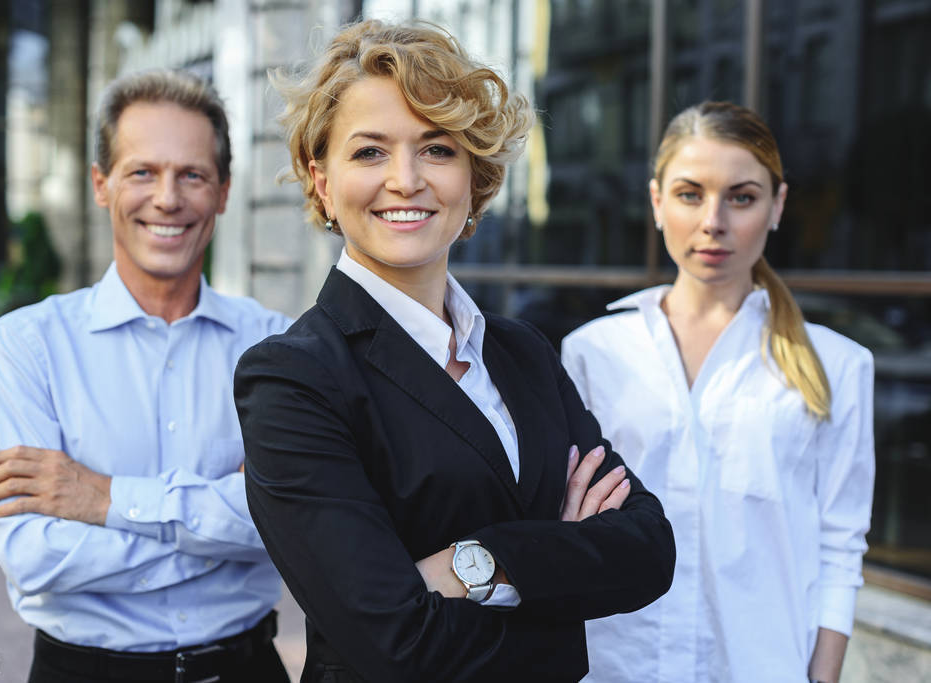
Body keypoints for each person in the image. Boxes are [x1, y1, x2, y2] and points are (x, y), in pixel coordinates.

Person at [233, 20, 676, 683]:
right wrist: (563, 589)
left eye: (436, 149)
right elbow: (396, 642)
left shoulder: (521, 351)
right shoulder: (293, 378)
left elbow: (647, 551)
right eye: (369, 152)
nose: (405, 179)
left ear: (476, 176)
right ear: (321, 180)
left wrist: (481, 561)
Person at [0, 70, 292, 683]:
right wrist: (221, 526)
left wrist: (103, 498)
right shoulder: (26, 345)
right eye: (143, 171)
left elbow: (291, 521)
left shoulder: (276, 345)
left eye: (192, 175)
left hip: (246, 668)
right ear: (102, 184)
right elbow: (32, 557)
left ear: (223, 192)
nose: (167, 198)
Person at [561, 101, 875, 683]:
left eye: (742, 196)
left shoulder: (838, 365)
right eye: (689, 194)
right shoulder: (592, 353)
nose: (713, 220)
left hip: (761, 667)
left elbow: (841, 545)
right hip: (614, 665)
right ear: (656, 202)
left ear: (777, 206)